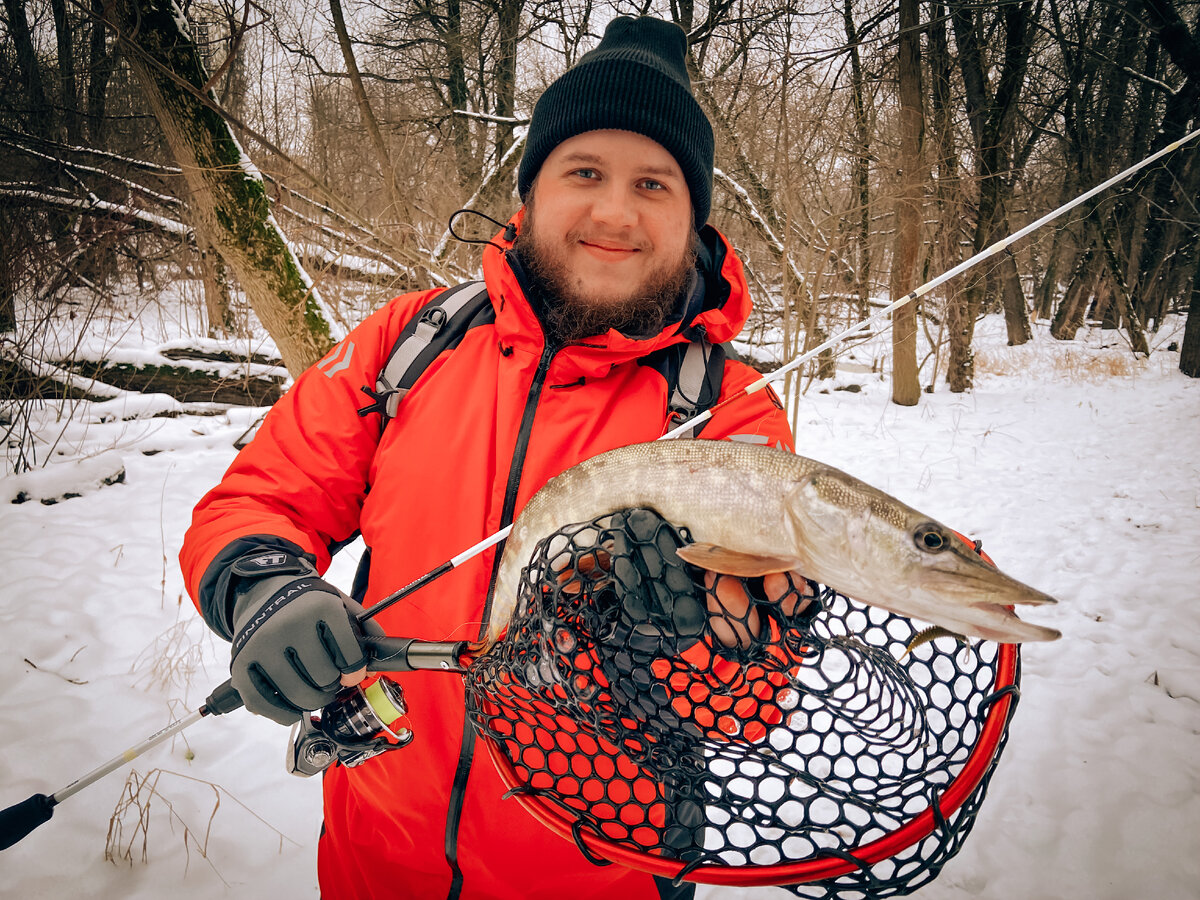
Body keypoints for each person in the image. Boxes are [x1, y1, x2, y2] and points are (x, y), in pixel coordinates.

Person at [180, 16, 800, 900]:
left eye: (654, 184)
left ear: (692, 216)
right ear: (531, 194)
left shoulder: (728, 414)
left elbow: (758, 694)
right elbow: (259, 501)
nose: (615, 212)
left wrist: (686, 642)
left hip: (603, 877)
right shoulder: (412, 342)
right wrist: (265, 589)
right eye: (584, 172)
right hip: (374, 861)